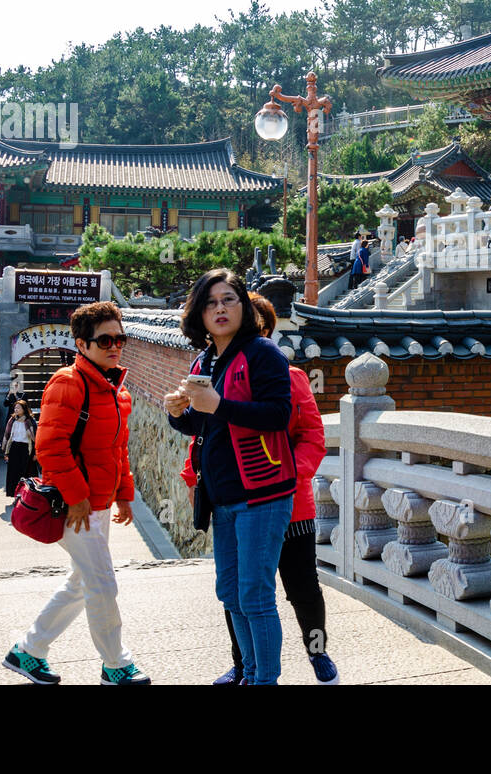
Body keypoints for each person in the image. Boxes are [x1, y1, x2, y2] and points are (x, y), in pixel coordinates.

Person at [3, 301, 149, 686]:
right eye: (105, 340)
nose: (115, 346)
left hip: (98, 504)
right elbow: (50, 447)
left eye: (120, 338)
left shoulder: (117, 392)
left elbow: (119, 449)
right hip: (76, 506)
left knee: (82, 583)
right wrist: (76, 496)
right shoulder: (68, 383)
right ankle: (116, 664)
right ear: (82, 344)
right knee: (102, 582)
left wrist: (123, 494)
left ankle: (27, 651)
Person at [196, 292, 338, 685]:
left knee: (303, 590)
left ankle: (317, 651)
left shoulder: (289, 378)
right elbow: (212, 436)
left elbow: (312, 436)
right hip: (238, 500)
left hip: (289, 505)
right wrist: (198, 471)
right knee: (238, 592)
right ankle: (243, 664)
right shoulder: (219, 374)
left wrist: (294, 478)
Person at [164, 269, 296, 685]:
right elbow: (202, 426)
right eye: (210, 302)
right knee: (232, 595)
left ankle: (265, 680)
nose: (219, 309)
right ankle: (251, 673)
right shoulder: (205, 360)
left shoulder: (263, 354)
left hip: (263, 492)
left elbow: (279, 415)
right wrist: (178, 414)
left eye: (229, 300)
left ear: (244, 306)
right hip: (222, 495)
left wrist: (218, 404)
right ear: (198, 314)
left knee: (256, 596)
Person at [2, 398, 38, 500]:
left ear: (24, 409)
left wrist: (35, 453)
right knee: (14, 472)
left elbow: (35, 438)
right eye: (15, 408)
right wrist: (6, 451)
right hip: (14, 447)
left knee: (27, 472)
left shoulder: (29, 421)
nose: (16, 410)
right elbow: (7, 435)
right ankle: (16, 495)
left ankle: (28, 495)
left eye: (18, 408)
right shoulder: (12, 420)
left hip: (27, 449)